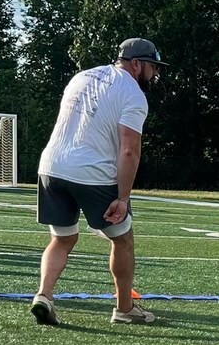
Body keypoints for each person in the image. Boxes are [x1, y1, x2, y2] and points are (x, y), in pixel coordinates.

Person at [31, 37, 163, 327]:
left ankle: (44, 295)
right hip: (92, 172)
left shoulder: (82, 76)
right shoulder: (133, 94)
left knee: (62, 239)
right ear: (136, 64)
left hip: (51, 166)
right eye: (153, 67)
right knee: (123, 238)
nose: (155, 74)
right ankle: (124, 308)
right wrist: (123, 198)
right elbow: (129, 150)